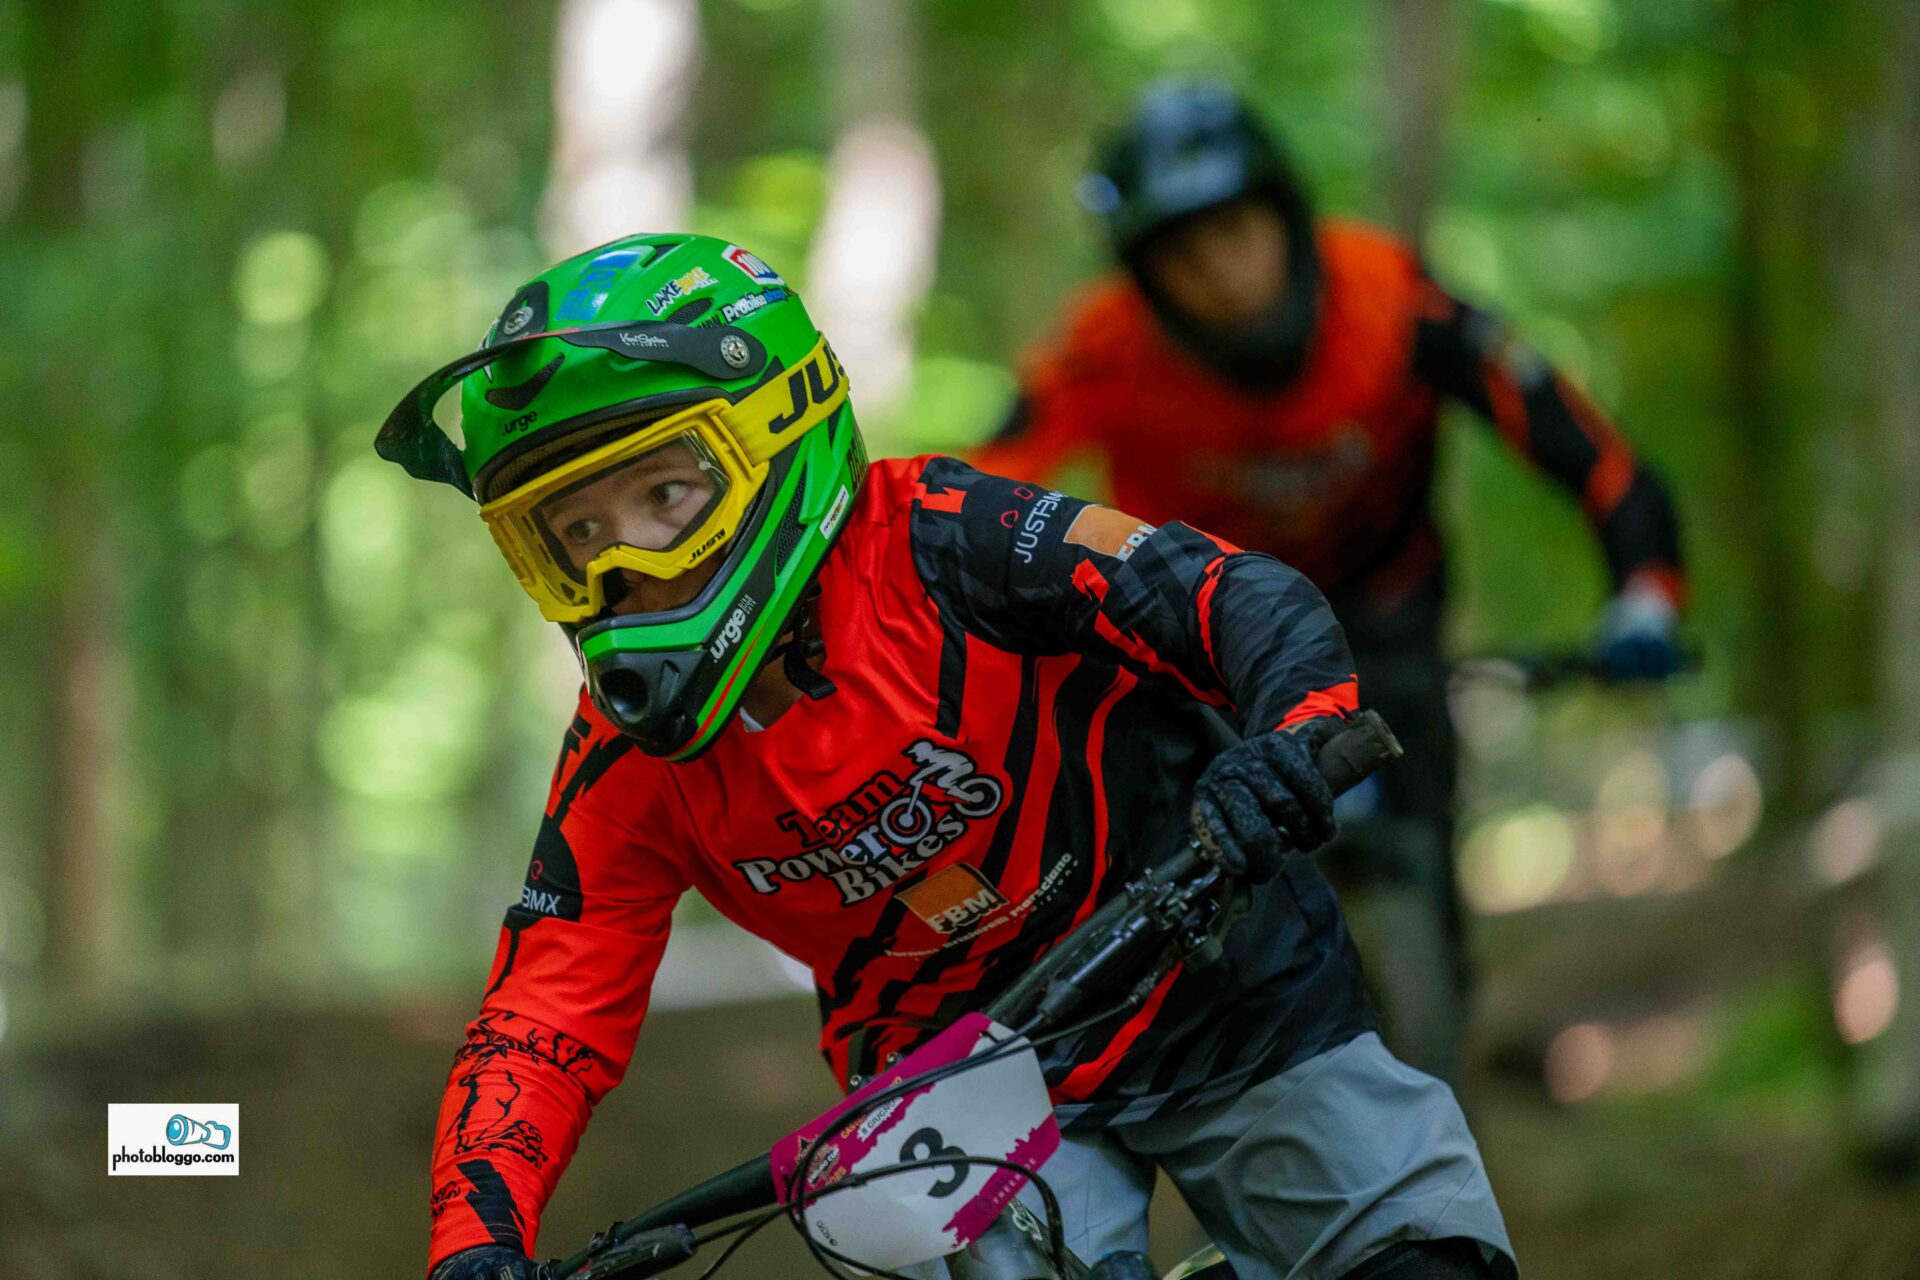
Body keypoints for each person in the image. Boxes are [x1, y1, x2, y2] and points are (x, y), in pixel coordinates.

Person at [379, 233, 1517, 1280]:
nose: (624, 570)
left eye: (665, 493)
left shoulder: (939, 538)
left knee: (1425, 1266)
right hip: (952, 1084)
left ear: (780, 433)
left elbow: (1223, 592)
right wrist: (472, 1243)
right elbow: (541, 1017)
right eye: (573, 535)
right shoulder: (622, 763)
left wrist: (1289, 737)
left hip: (1213, 956)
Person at [976, 82, 1688, 1086]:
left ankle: (1441, 1019)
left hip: (1387, 608)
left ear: (1286, 217)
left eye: (1236, 232)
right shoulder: (1103, 346)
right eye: (1182, 255)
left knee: (1425, 837)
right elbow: (977, 495)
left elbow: (1585, 448)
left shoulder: (1390, 297)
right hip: (1203, 632)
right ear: (1144, 277)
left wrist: (1645, 591)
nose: (1221, 274)